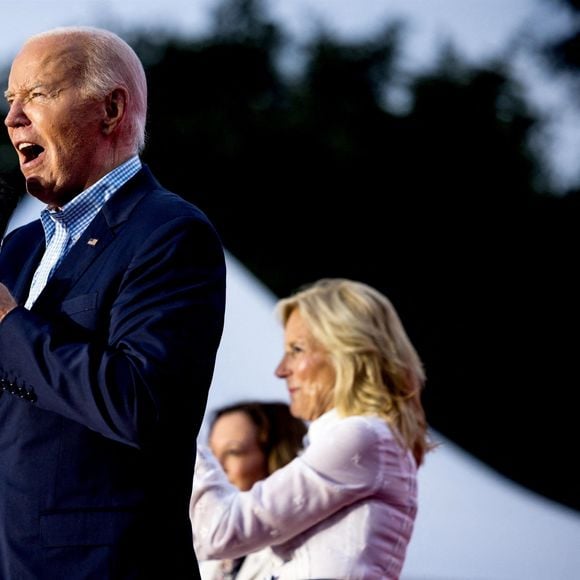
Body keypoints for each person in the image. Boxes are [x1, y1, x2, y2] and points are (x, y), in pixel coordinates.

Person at [0, 26, 226, 579]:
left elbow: (141, 405)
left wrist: (8, 324)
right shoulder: (20, 246)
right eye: (10, 102)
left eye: (36, 95)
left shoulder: (170, 233)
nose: (12, 120)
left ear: (110, 109)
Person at [191, 278, 434, 580]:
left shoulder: (363, 437)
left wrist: (173, 425)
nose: (281, 370)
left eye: (296, 349)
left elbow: (219, 531)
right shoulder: (364, 440)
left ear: (346, 352)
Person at [198, 400, 307, 580]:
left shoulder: (297, 552)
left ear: (275, 457)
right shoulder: (210, 552)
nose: (216, 468)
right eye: (211, 455)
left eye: (233, 452)